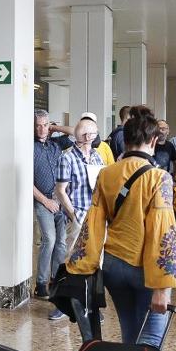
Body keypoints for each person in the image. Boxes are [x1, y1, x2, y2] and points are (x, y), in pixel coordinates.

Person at [67, 106, 176, 346]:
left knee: (130, 331)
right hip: (145, 268)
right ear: (154, 140)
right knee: (150, 342)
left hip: (114, 266)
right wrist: (163, 287)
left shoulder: (107, 174)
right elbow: (163, 232)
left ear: (125, 140)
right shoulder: (159, 178)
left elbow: (92, 224)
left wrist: (83, 267)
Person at [55, 116, 105, 271]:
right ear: (88, 137)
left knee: (97, 257)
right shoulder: (67, 158)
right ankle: (68, 293)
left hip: (96, 215)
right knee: (71, 258)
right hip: (77, 215)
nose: (96, 136)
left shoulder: (97, 156)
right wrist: (73, 215)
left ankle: (91, 292)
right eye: (95, 133)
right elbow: (60, 190)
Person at [33, 108, 70, 303]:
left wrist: (54, 127)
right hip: (43, 201)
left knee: (61, 242)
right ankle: (41, 284)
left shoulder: (56, 144)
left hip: (60, 201)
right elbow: (27, 182)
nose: (41, 129)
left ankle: (57, 281)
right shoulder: (29, 147)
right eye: (38, 125)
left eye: (45, 125)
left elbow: (76, 132)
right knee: (49, 239)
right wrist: (46, 201)